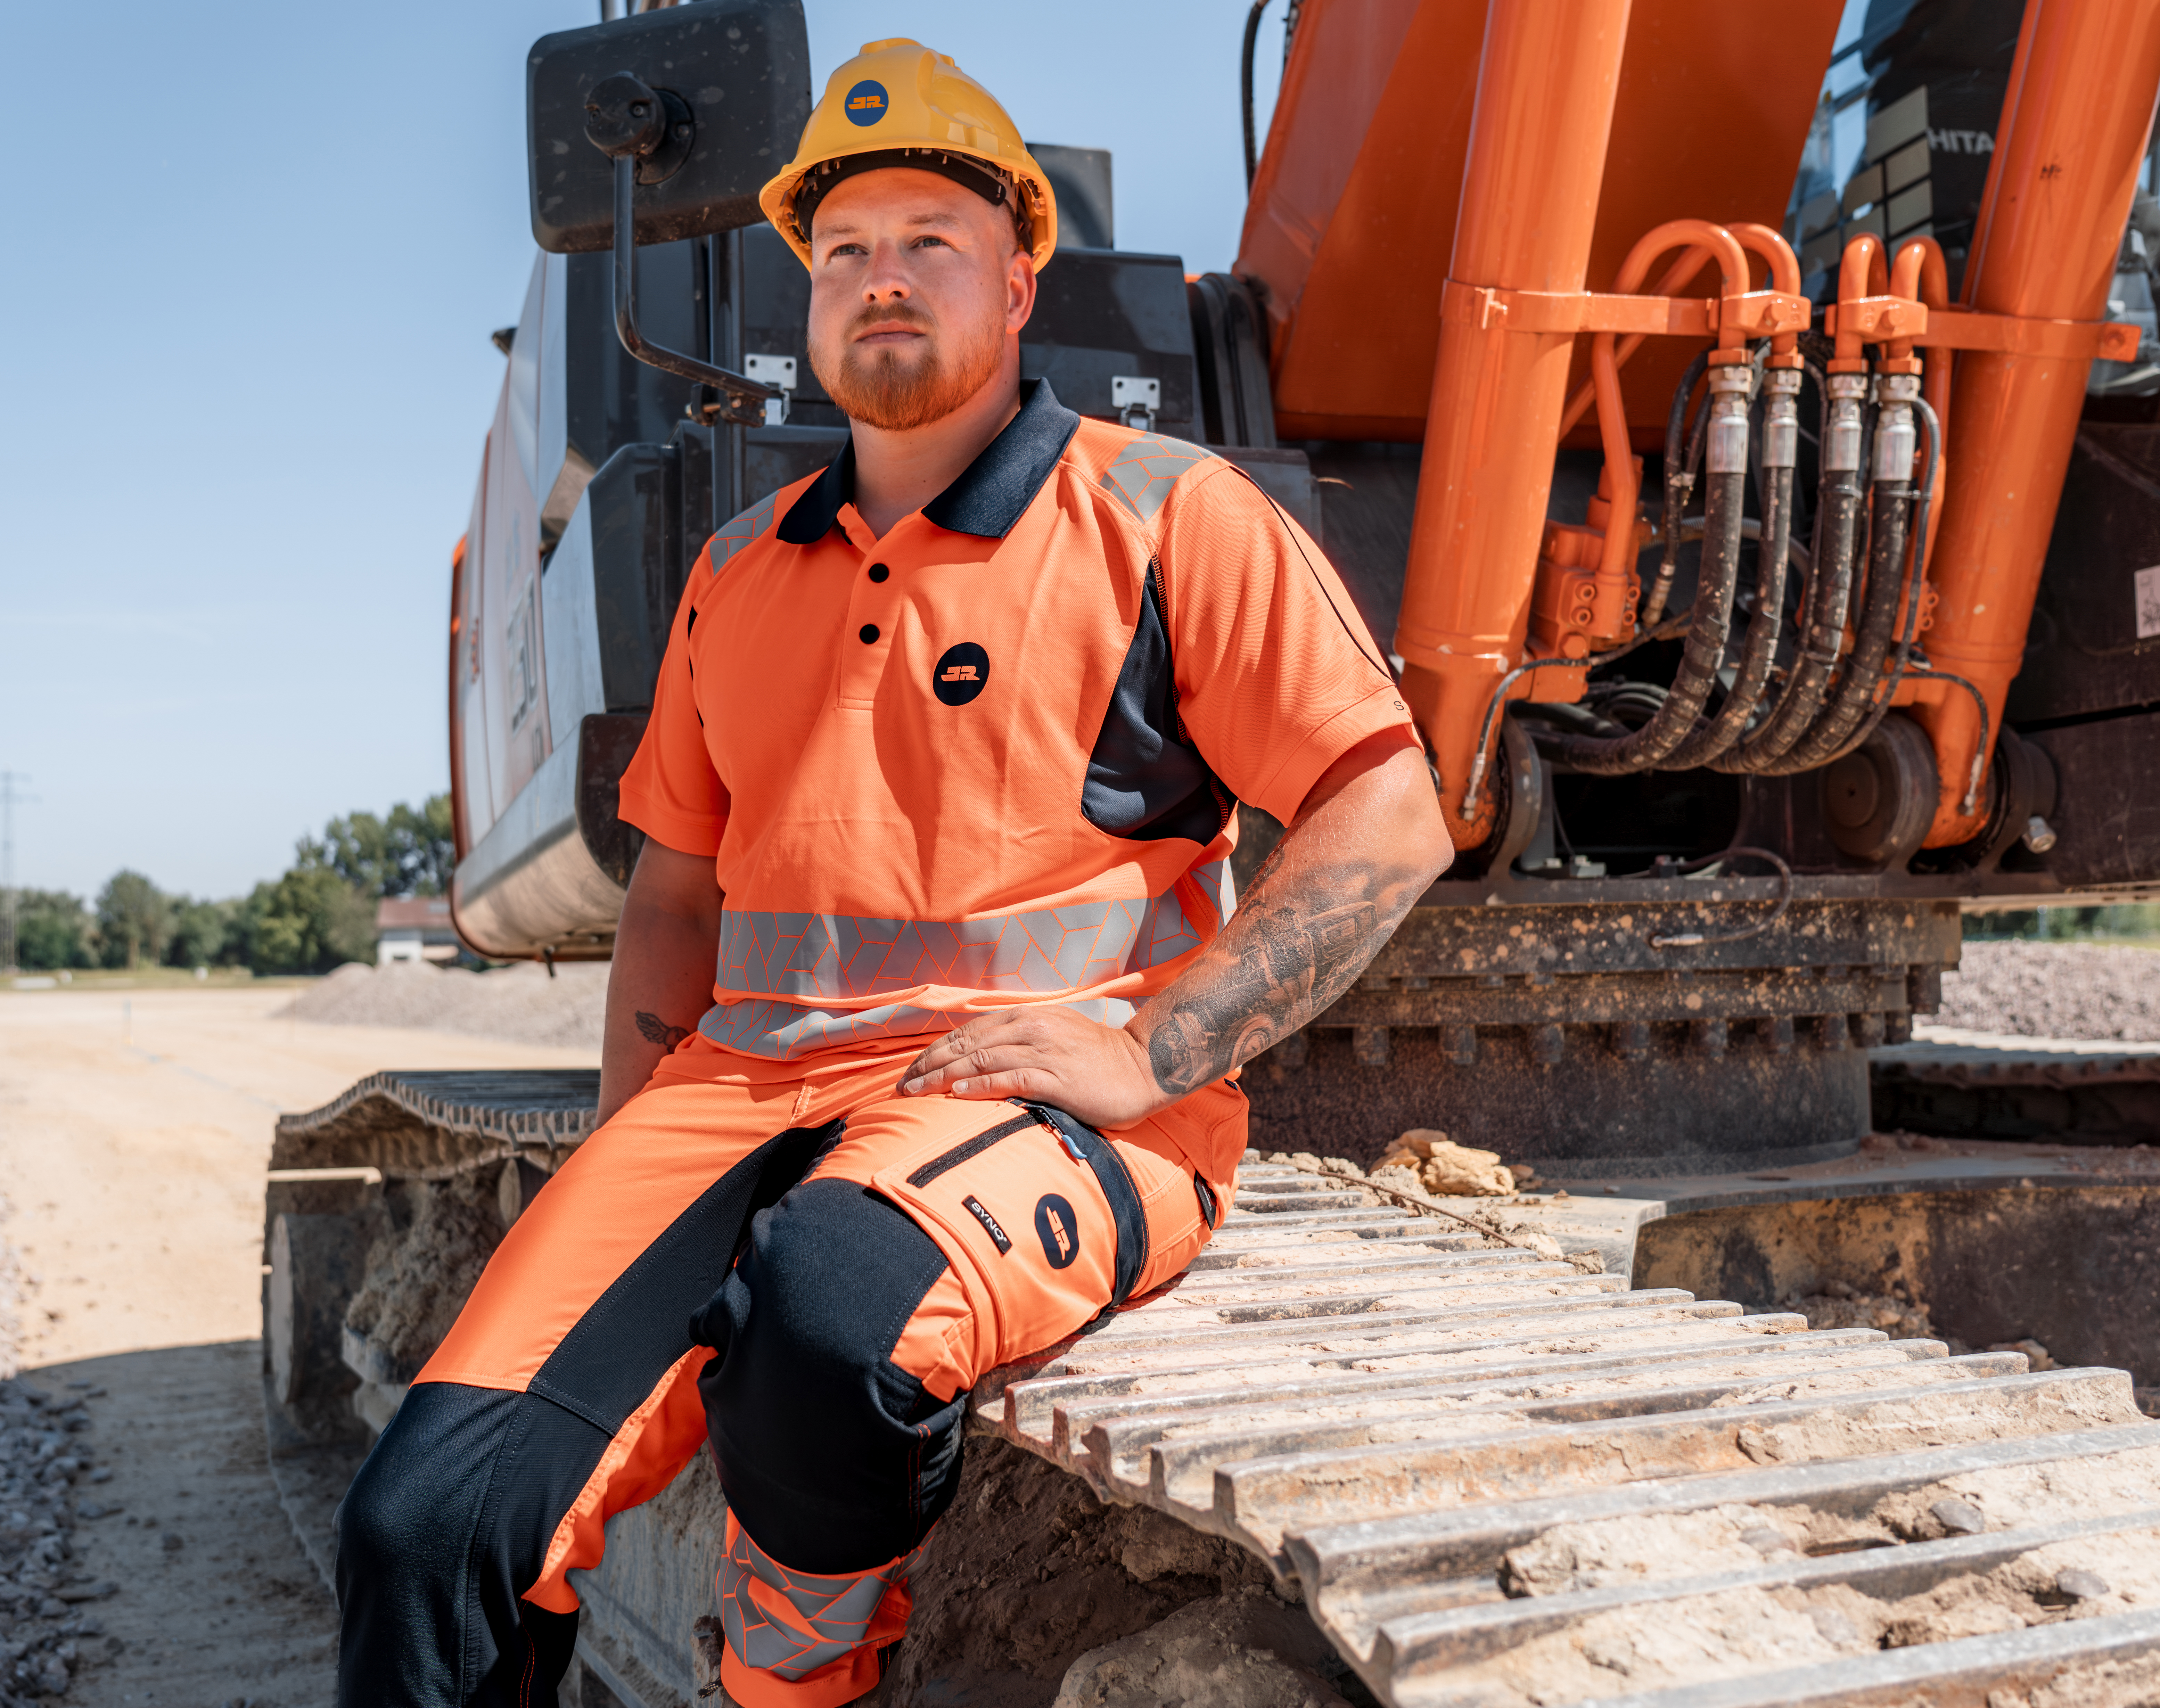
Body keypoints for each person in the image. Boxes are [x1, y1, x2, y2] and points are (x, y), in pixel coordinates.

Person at [333, 36, 1453, 1708]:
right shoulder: (737, 572)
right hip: (739, 1095)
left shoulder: (1169, 514)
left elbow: (1390, 811)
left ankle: (794, 1689)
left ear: (1017, 280)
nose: (881, 280)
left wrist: (1156, 1048)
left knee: (830, 1325)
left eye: (929, 239)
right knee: (425, 1525)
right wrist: (634, 1133)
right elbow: (677, 895)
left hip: (1035, 1099)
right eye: (844, 252)